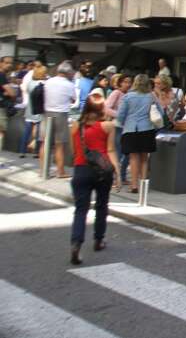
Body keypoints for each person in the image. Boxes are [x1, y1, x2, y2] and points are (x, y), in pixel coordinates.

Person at [69, 94, 120, 265]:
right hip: (101, 171)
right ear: (101, 109)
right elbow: (111, 150)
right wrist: (117, 173)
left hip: (81, 170)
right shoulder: (107, 126)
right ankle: (99, 240)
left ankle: (76, 244)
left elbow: (74, 151)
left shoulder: (75, 126)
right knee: (101, 205)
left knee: (80, 209)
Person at [118, 74, 161, 193]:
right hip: (147, 129)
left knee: (133, 158)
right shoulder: (151, 96)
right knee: (144, 158)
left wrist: (121, 124)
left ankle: (134, 185)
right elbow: (160, 111)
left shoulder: (128, 97)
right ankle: (144, 185)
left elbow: (121, 114)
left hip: (130, 129)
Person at [43, 61, 78, 179]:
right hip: (61, 114)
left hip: (47, 113)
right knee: (59, 145)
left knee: (45, 143)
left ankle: (43, 170)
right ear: (68, 73)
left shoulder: (48, 82)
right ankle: (60, 171)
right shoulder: (69, 85)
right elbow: (74, 100)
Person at [104, 74, 132, 182]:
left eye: (129, 82)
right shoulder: (116, 93)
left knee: (127, 153)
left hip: (128, 127)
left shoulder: (130, 94)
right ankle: (113, 177)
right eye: (125, 82)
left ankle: (122, 176)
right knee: (117, 152)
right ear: (120, 83)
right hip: (117, 126)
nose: (127, 84)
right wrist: (119, 114)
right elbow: (106, 108)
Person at [19, 63, 46, 158]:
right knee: (39, 133)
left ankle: (22, 151)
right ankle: (36, 152)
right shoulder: (44, 85)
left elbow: (25, 91)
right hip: (39, 111)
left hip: (29, 110)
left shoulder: (30, 83)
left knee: (26, 132)